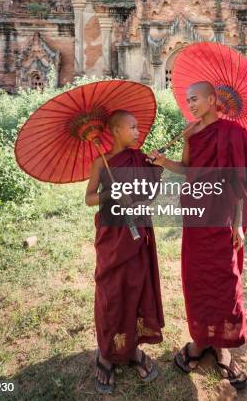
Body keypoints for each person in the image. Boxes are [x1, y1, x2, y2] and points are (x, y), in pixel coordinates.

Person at [148, 82, 247, 390]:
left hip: (221, 216)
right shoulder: (191, 132)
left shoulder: (232, 133)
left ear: (211, 100)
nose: (191, 104)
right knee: (196, 277)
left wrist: (236, 223)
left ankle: (221, 344)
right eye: (187, 99)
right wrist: (162, 162)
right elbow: (187, 168)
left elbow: (239, 181)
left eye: (195, 99)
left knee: (224, 278)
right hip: (195, 214)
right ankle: (199, 341)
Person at [86, 109, 164, 394]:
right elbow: (89, 198)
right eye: (131, 127)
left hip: (137, 233)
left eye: (137, 127)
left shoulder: (139, 158)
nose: (137, 132)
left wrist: (156, 165)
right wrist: (110, 194)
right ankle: (106, 353)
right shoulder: (100, 163)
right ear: (116, 131)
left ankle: (131, 348)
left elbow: (151, 193)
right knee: (111, 293)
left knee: (136, 288)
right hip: (112, 236)